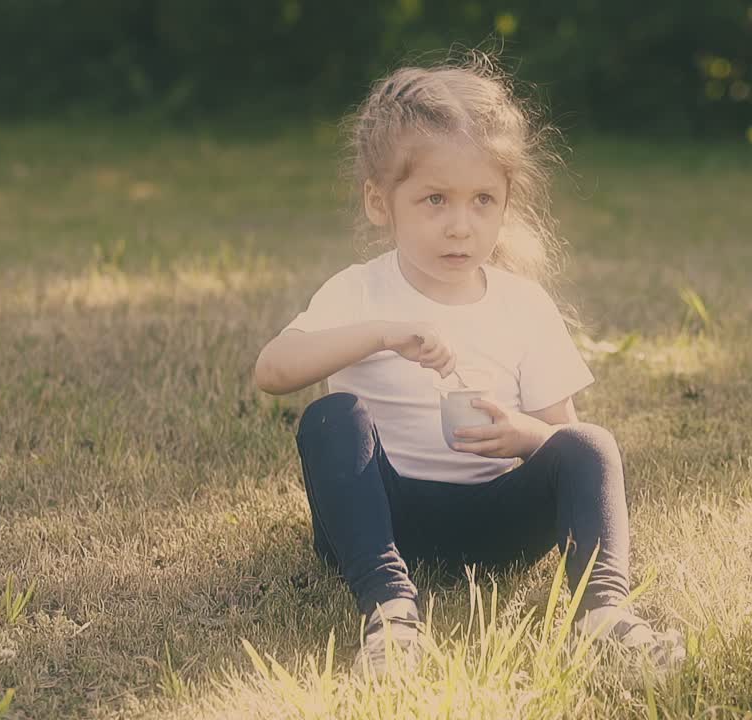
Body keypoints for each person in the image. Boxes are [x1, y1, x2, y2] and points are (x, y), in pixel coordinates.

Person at [253, 51, 684, 679]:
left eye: (483, 200)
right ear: (381, 202)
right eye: (435, 200)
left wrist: (523, 435)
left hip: (494, 525)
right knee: (330, 417)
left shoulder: (521, 304)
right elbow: (273, 370)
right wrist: (378, 335)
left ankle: (604, 616)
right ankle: (391, 613)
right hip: (384, 518)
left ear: (506, 203)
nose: (461, 225)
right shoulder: (360, 292)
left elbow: (561, 436)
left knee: (591, 445)